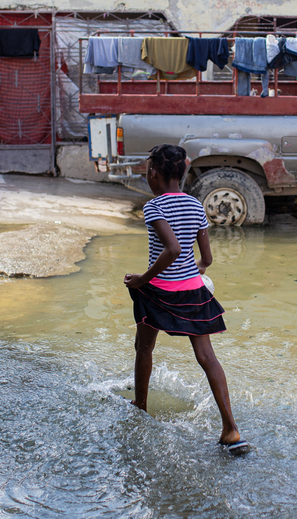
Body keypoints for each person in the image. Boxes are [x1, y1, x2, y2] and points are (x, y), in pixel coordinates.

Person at [123, 144, 251, 455]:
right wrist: (195, 273)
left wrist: (142, 279)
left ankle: (140, 404)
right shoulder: (195, 206)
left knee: (144, 347)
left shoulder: (154, 207)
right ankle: (231, 429)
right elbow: (205, 257)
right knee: (208, 358)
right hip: (193, 291)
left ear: (153, 174)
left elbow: (173, 250)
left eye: (146, 170)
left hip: (158, 291)